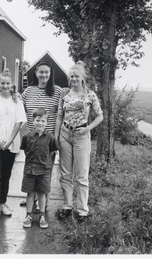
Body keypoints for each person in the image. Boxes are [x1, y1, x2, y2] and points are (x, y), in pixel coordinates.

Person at [54, 61, 103, 222]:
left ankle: (82, 211)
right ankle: (67, 206)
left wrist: (87, 129)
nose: (74, 79)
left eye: (77, 76)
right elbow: (59, 116)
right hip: (65, 134)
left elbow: (99, 116)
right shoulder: (65, 95)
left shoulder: (90, 95)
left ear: (82, 78)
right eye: (72, 76)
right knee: (65, 174)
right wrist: (56, 136)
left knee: (82, 175)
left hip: (82, 136)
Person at [0, 68, 26, 220]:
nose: (5, 86)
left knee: (6, 175)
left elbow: (19, 122)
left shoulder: (17, 101)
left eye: (8, 83)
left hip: (11, 143)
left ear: (11, 84)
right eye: (2, 83)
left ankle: (2, 203)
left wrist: (9, 140)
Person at [20, 60, 62, 211]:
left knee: (45, 171)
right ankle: (32, 197)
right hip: (32, 139)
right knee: (32, 169)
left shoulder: (57, 91)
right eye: (41, 72)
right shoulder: (28, 91)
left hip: (48, 139)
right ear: (36, 73)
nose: (44, 75)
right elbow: (18, 105)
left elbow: (61, 114)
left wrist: (56, 137)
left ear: (50, 74)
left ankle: (44, 201)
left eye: (47, 72)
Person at [20, 108, 59, 229]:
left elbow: (52, 151)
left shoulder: (51, 138)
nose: (40, 123)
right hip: (30, 170)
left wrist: (45, 160)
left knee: (42, 194)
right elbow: (26, 151)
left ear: (46, 122)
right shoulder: (27, 137)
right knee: (30, 193)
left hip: (44, 171)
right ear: (33, 121)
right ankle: (28, 215)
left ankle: (42, 216)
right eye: (38, 120)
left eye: (43, 121)